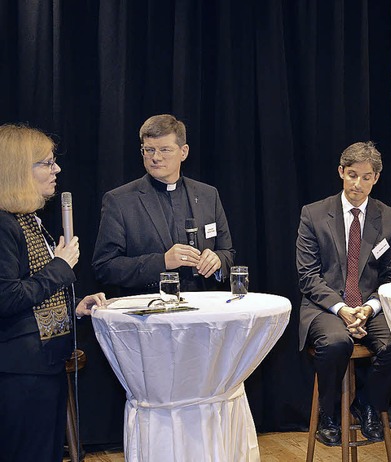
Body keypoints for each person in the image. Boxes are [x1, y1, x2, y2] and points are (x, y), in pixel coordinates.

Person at [0, 124, 107, 462]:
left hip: (44, 363)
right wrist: (60, 267)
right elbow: (7, 298)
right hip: (20, 372)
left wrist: (74, 306)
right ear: (19, 170)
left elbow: (33, 295)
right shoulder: (4, 225)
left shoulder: (28, 219)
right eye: (46, 163)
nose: (56, 169)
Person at [296, 141, 391, 446]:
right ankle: (327, 414)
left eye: (366, 177)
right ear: (341, 172)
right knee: (335, 342)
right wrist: (342, 309)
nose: (358, 184)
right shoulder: (314, 214)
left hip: (370, 306)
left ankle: (369, 404)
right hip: (325, 306)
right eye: (352, 175)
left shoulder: (390, 218)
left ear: (376, 178)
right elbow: (308, 276)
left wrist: (368, 309)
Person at [92, 114, 235, 296]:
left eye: (165, 150)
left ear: (183, 152)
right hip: (148, 314)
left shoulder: (208, 195)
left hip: (204, 308)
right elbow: (104, 267)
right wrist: (163, 262)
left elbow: (227, 253)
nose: (155, 157)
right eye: (149, 150)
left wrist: (218, 260)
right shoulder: (120, 200)